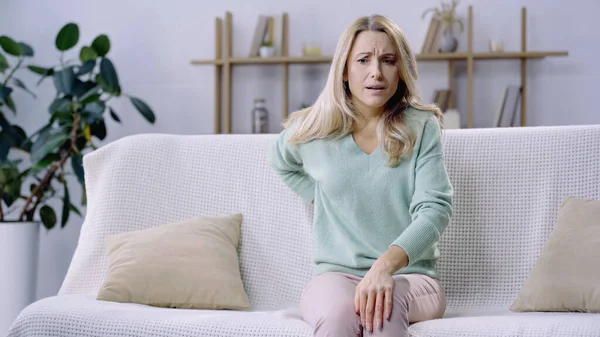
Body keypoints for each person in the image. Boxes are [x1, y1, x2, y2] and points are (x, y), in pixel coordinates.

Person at [267, 13, 453, 337]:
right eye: (363, 60)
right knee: (341, 316)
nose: (376, 73)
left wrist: (384, 267)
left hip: (409, 277)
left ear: (401, 70)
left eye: (388, 60)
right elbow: (281, 161)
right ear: (344, 69)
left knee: (383, 309)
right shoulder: (313, 129)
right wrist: (324, 198)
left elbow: (435, 210)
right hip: (334, 277)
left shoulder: (422, 127)